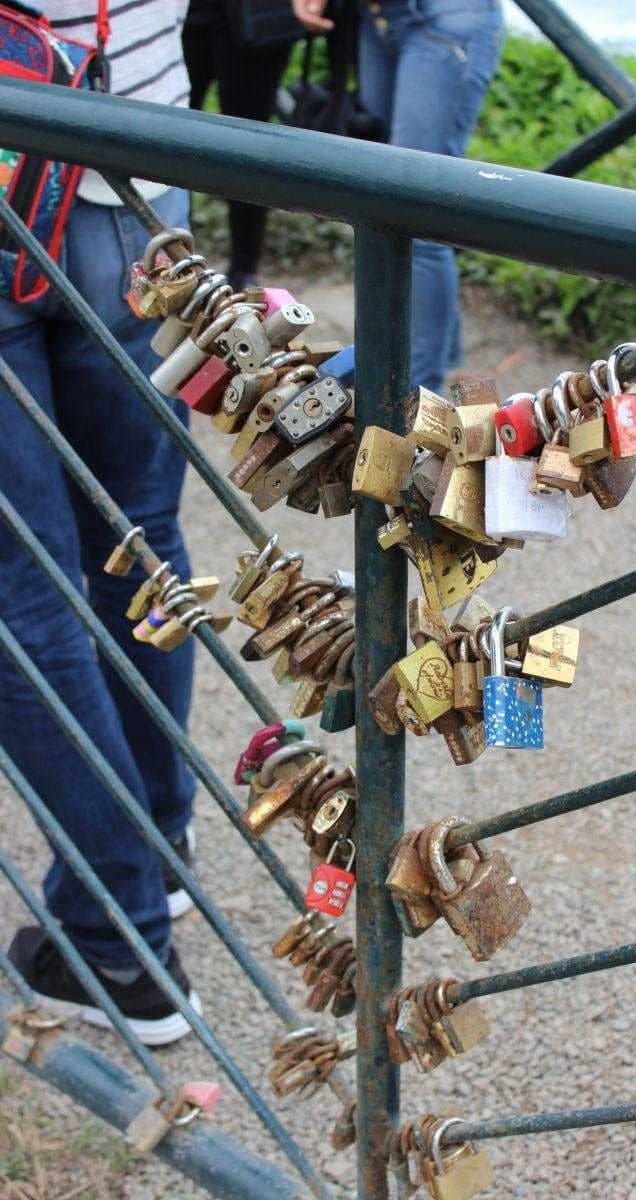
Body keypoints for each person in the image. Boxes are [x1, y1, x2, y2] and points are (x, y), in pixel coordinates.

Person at [1, 0, 200, 1045]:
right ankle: (155, 857)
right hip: (133, 160)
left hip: (24, 130)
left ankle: (117, 937)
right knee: (139, 543)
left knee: (20, 598)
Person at [291, 0, 504, 393]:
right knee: (387, 195)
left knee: (418, 213)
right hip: (379, 20)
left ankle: (416, 395)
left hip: (446, 18)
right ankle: (437, 354)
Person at [182, 0, 300, 291]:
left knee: (249, 145)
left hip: (257, 13)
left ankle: (245, 269)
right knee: (163, 140)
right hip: (178, 14)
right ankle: (174, 259)